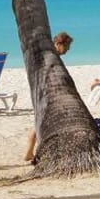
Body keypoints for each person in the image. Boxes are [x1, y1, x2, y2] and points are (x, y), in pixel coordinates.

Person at [24, 31, 74, 163]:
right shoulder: (52, 56)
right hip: (47, 93)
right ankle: (30, 152)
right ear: (59, 43)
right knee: (40, 123)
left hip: (43, 92)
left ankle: (29, 152)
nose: (68, 50)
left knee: (38, 122)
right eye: (67, 46)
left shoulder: (49, 55)